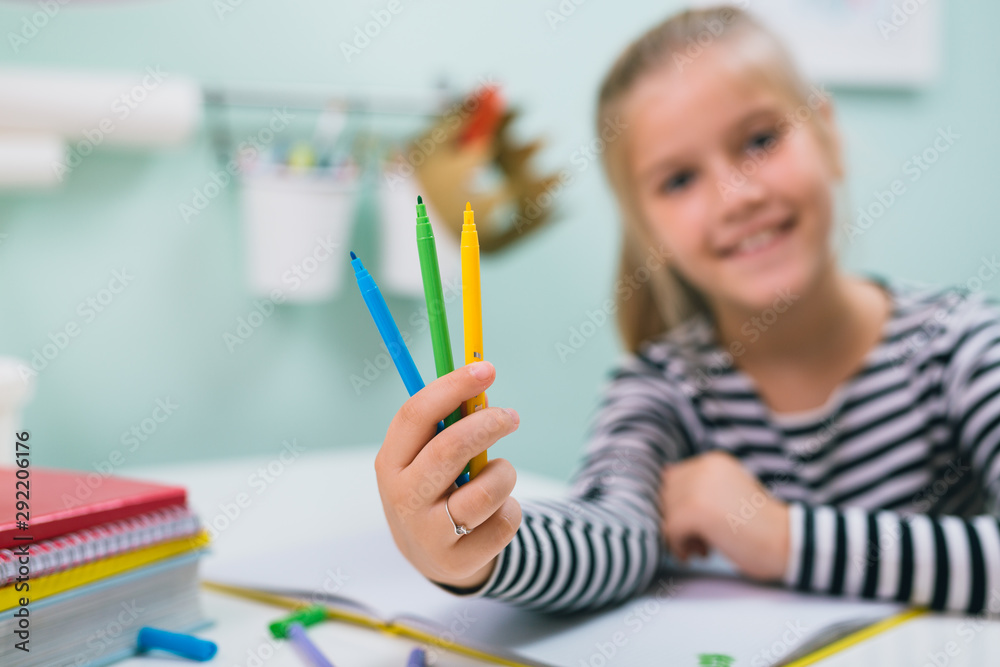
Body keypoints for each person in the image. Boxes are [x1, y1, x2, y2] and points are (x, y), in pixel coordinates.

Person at [374, 5, 1000, 615]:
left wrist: (782, 539)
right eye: (678, 181)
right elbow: (608, 538)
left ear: (827, 134)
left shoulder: (964, 348)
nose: (736, 198)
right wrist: (476, 551)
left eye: (760, 140)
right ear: (648, 231)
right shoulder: (661, 389)